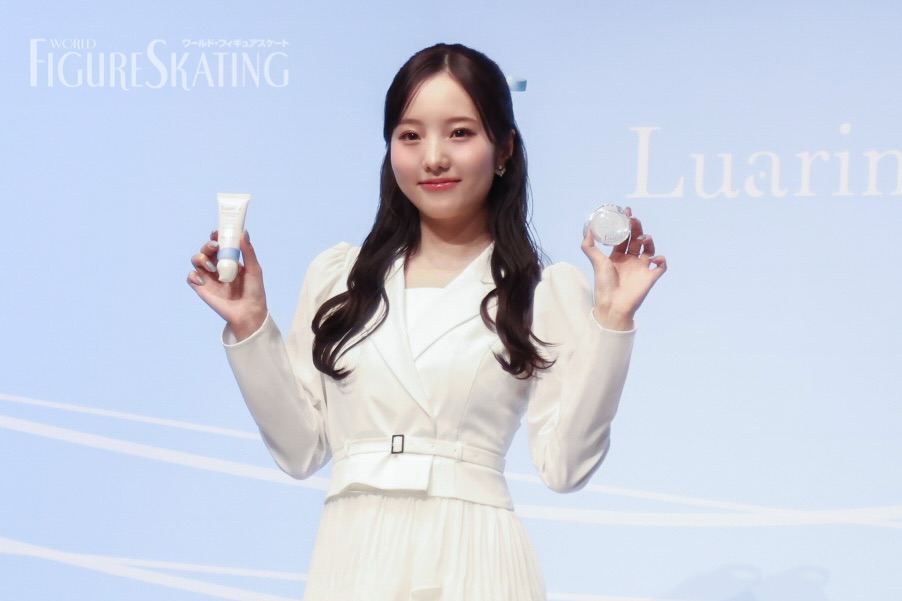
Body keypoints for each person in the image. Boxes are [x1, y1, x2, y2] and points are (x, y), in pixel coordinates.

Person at [188, 43, 666, 601]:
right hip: (353, 560)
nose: (433, 157)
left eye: (460, 133)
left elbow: (566, 468)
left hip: (475, 558)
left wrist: (611, 321)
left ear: (504, 148)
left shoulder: (542, 290)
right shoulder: (338, 279)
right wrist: (250, 325)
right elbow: (299, 451)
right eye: (410, 136)